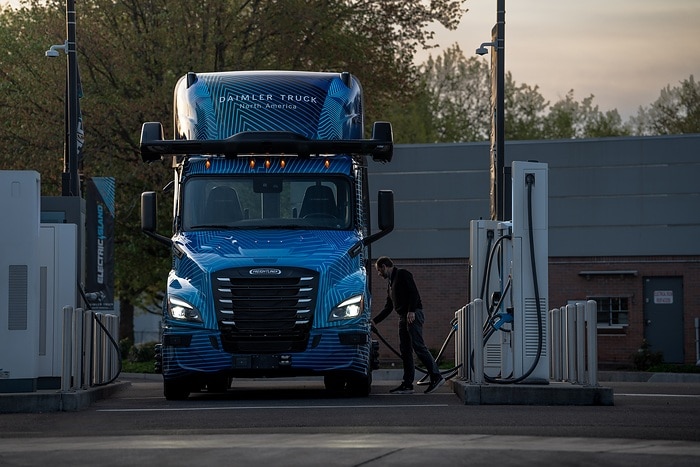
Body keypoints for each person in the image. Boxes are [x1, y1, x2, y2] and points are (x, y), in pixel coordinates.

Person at [372, 256, 445, 394]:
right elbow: (388, 307)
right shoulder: (390, 284)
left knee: (418, 345)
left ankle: (436, 376)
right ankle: (407, 384)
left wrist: (411, 311)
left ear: (384, 266)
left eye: (379, 270)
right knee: (405, 350)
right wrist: (374, 321)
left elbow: (413, 292)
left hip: (413, 314)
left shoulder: (402, 274)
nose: (379, 274)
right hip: (403, 317)